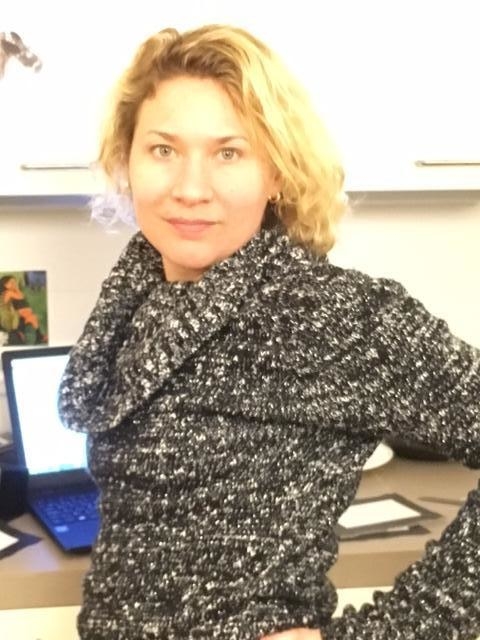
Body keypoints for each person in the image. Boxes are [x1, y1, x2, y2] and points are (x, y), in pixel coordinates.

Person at [58, 24, 480, 640]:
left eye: (229, 153)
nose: (190, 188)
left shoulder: (328, 314)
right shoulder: (140, 302)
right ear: (128, 159)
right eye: (163, 150)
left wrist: (392, 630)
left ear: (276, 173)